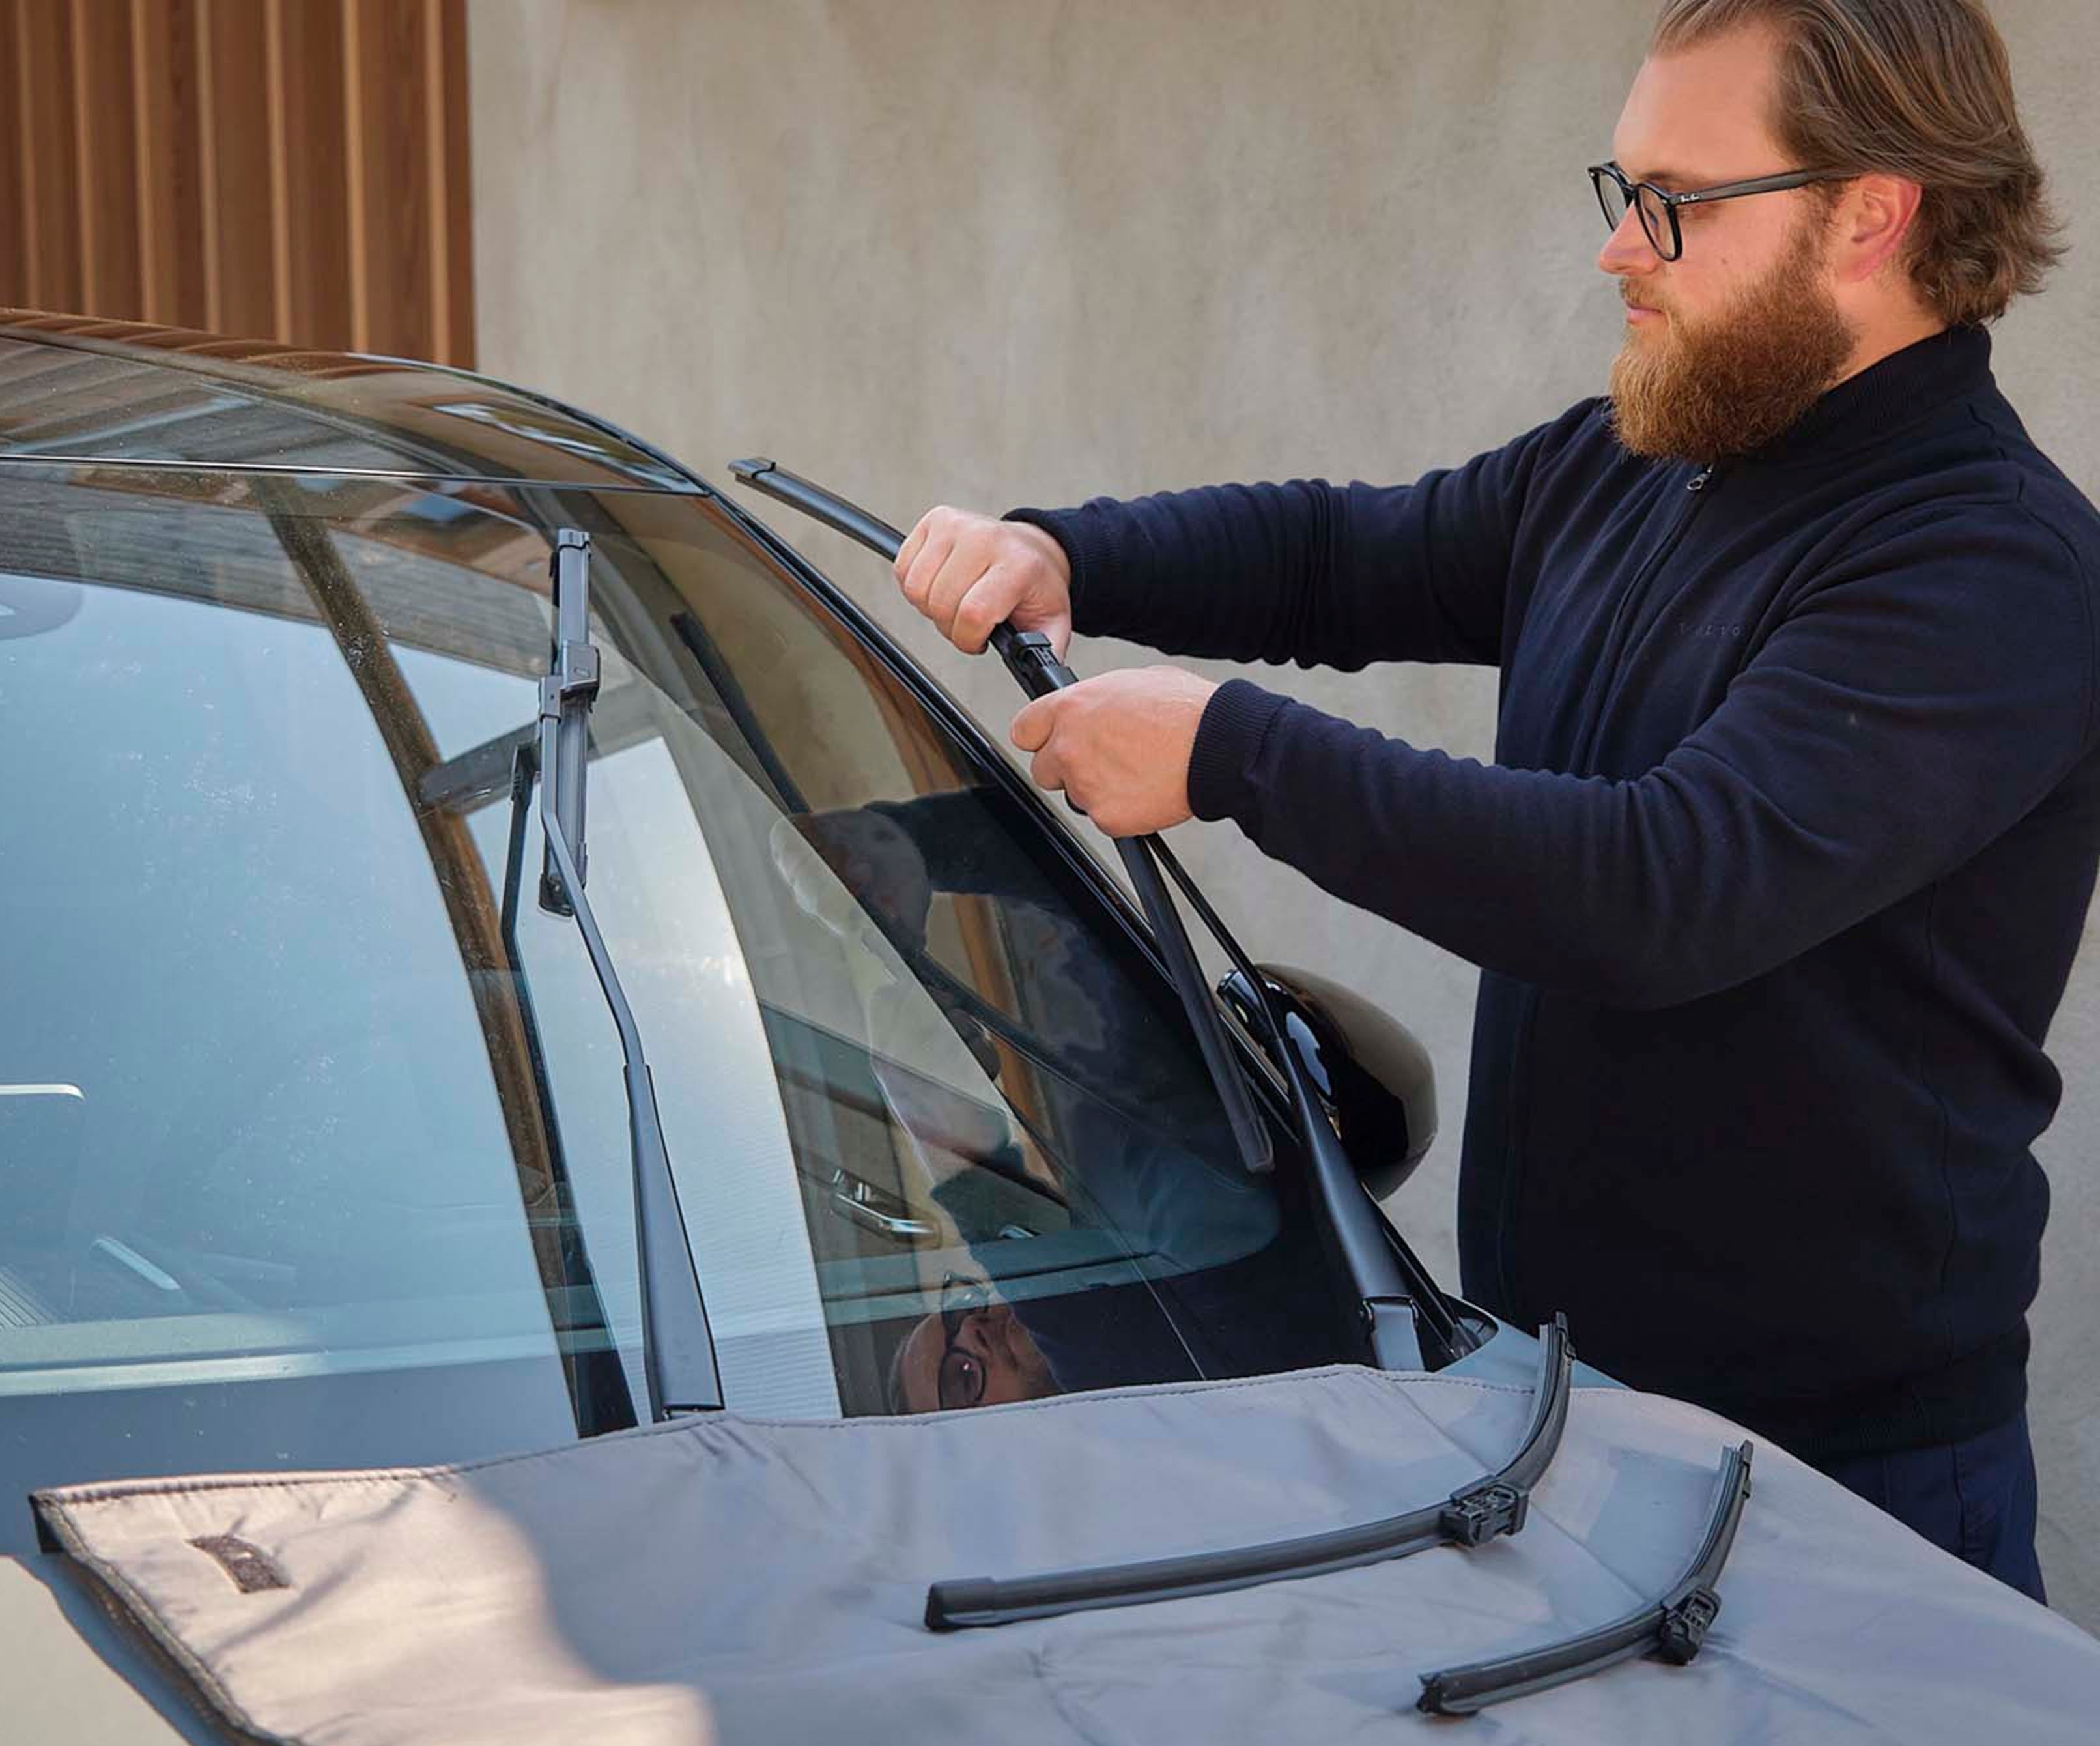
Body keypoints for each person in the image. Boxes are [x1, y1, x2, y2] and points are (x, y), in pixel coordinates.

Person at [892, 0, 2095, 1602]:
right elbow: (1343, 552)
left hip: (1836, 1492)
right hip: (1556, 1412)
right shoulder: (1649, 459)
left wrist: (1229, 752)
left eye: (1676, 199)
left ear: (1873, 212)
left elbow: (1663, 889)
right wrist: (1069, 554)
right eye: (1625, 191)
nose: (1621, 252)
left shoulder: (1985, 567)